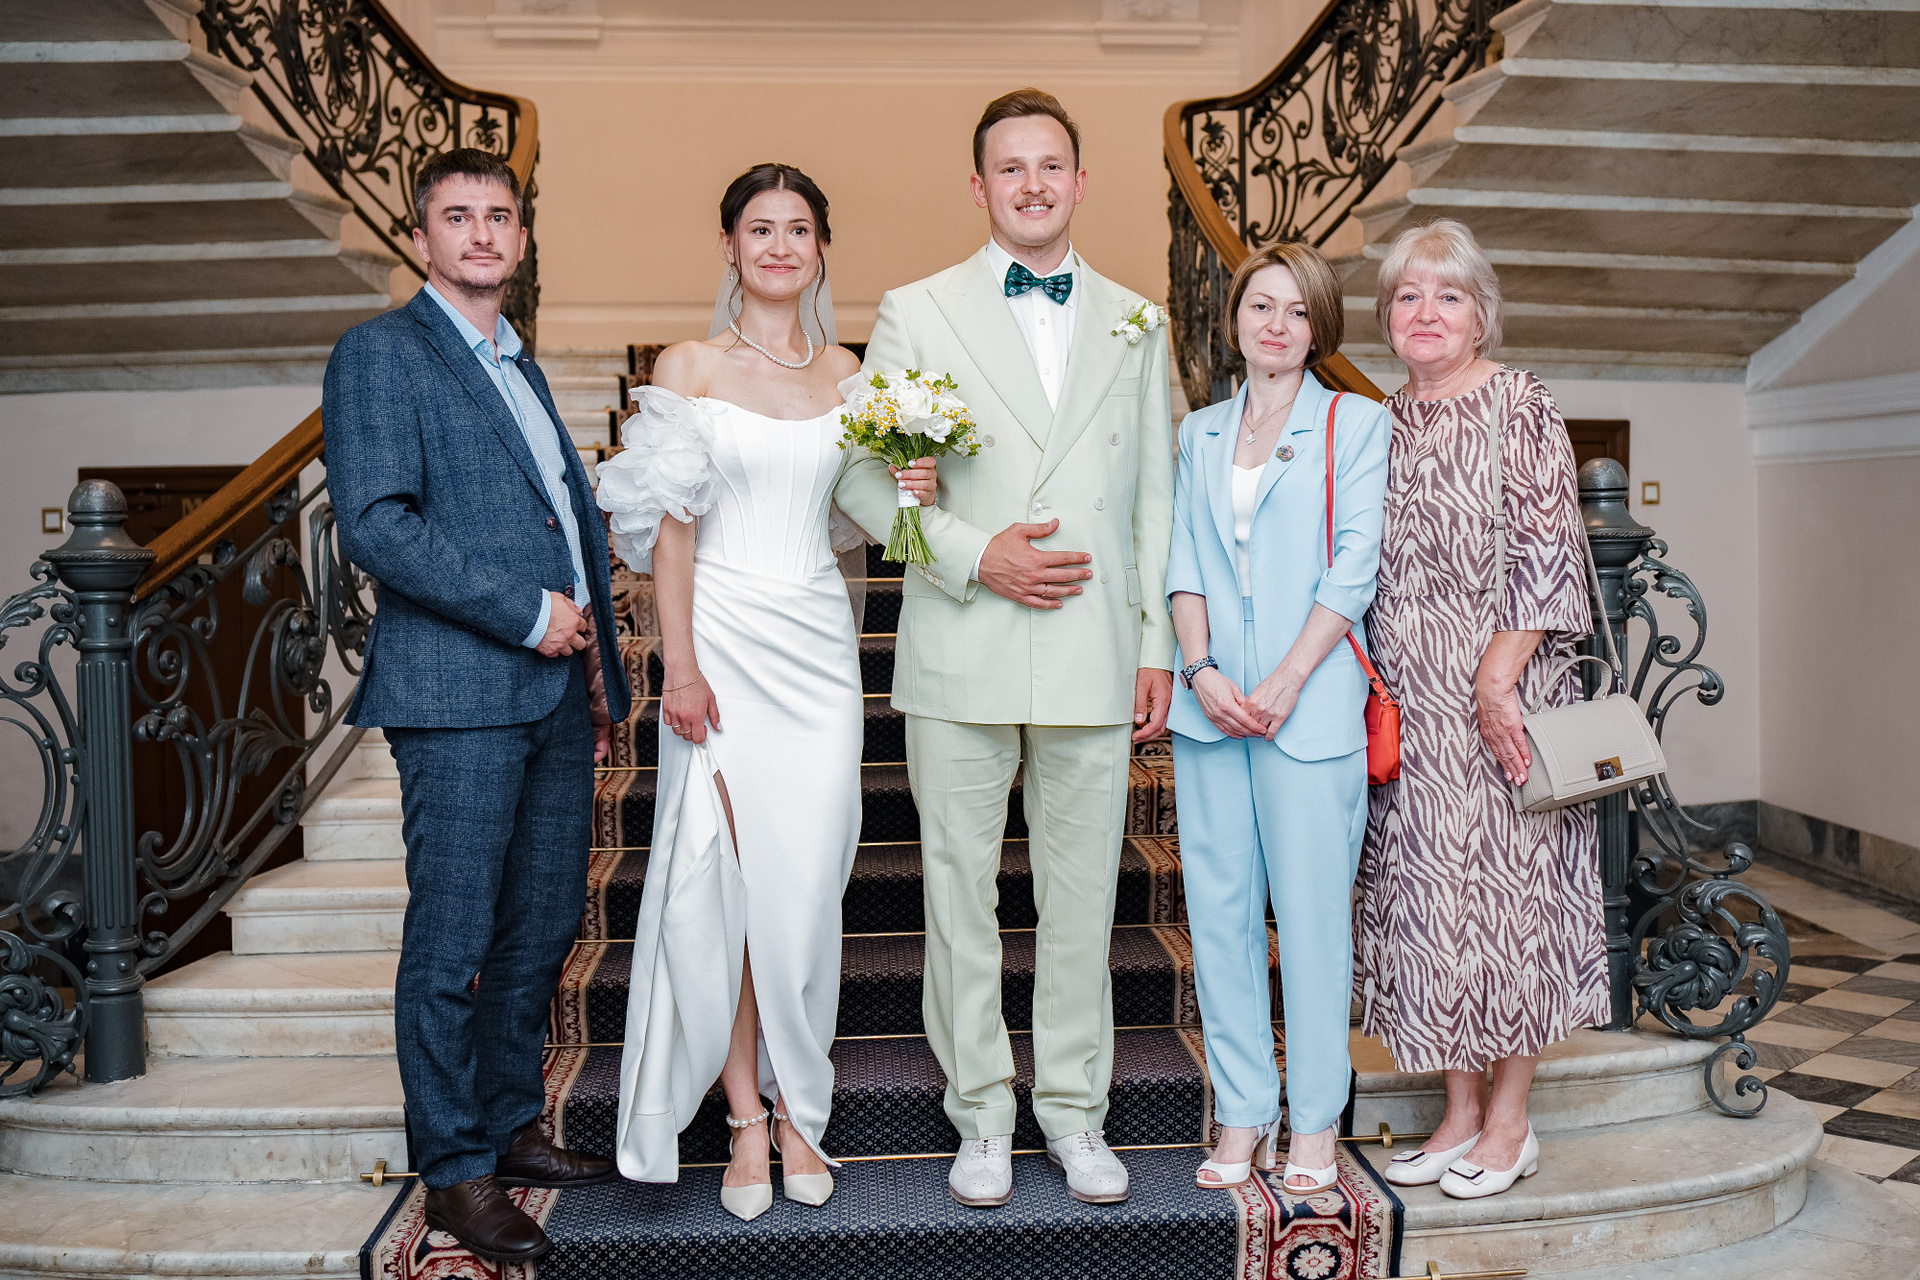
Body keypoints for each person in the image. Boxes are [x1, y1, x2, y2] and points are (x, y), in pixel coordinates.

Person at [833, 88, 1175, 1209]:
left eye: (1051, 165)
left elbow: (1156, 499)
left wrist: (1158, 646)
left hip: (1093, 647)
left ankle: (1074, 1114)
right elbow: (864, 481)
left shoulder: (1138, 320)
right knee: (958, 897)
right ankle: (980, 1113)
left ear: (1081, 181)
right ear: (978, 187)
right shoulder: (917, 309)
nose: (1033, 184)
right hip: (962, 644)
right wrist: (977, 555)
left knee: (1083, 905)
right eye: (1011, 167)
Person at [596, 163, 937, 1221]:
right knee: (729, 887)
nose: (779, 246)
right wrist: (680, 664)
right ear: (730, 246)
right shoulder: (689, 366)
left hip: (819, 649)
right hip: (725, 644)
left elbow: (874, 523)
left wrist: (918, 489)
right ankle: (749, 1114)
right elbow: (673, 534)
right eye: (760, 228)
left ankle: (801, 1103)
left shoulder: (850, 373)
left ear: (821, 247)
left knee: (803, 888)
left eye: (798, 228)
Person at [324, 147, 632, 1264]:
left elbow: (563, 523)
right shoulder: (381, 353)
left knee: (538, 927)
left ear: (521, 236)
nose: (482, 233)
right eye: (458, 217)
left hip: (553, 691)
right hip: (458, 693)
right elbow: (378, 523)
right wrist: (524, 611)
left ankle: (508, 1126)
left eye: (499, 215)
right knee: (452, 940)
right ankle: (454, 1169)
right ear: (422, 238)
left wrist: (599, 664)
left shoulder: (520, 364)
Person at [1354, 217, 1606, 1201]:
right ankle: (1457, 1113)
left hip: (1506, 688)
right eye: (1408, 295)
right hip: (1410, 705)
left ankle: (1511, 1121)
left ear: (1480, 314)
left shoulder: (1519, 402)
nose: (1426, 312)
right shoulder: (1380, 417)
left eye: (1448, 296)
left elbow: (1548, 554)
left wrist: (1497, 682)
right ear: (1387, 315)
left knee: (1510, 906)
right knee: (1431, 910)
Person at [1164, 241, 1390, 1195]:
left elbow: (1355, 562)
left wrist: (1291, 678)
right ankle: (1244, 1111)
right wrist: (1201, 670)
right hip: (1212, 708)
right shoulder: (1200, 431)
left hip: (1312, 707)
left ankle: (1316, 1120)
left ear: (1319, 327)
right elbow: (1181, 558)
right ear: (1236, 318)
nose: (1277, 324)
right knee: (1219, 918)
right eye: (1261, 305)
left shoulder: (1356, 422)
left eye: (1298, 311)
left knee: (1311, 922)